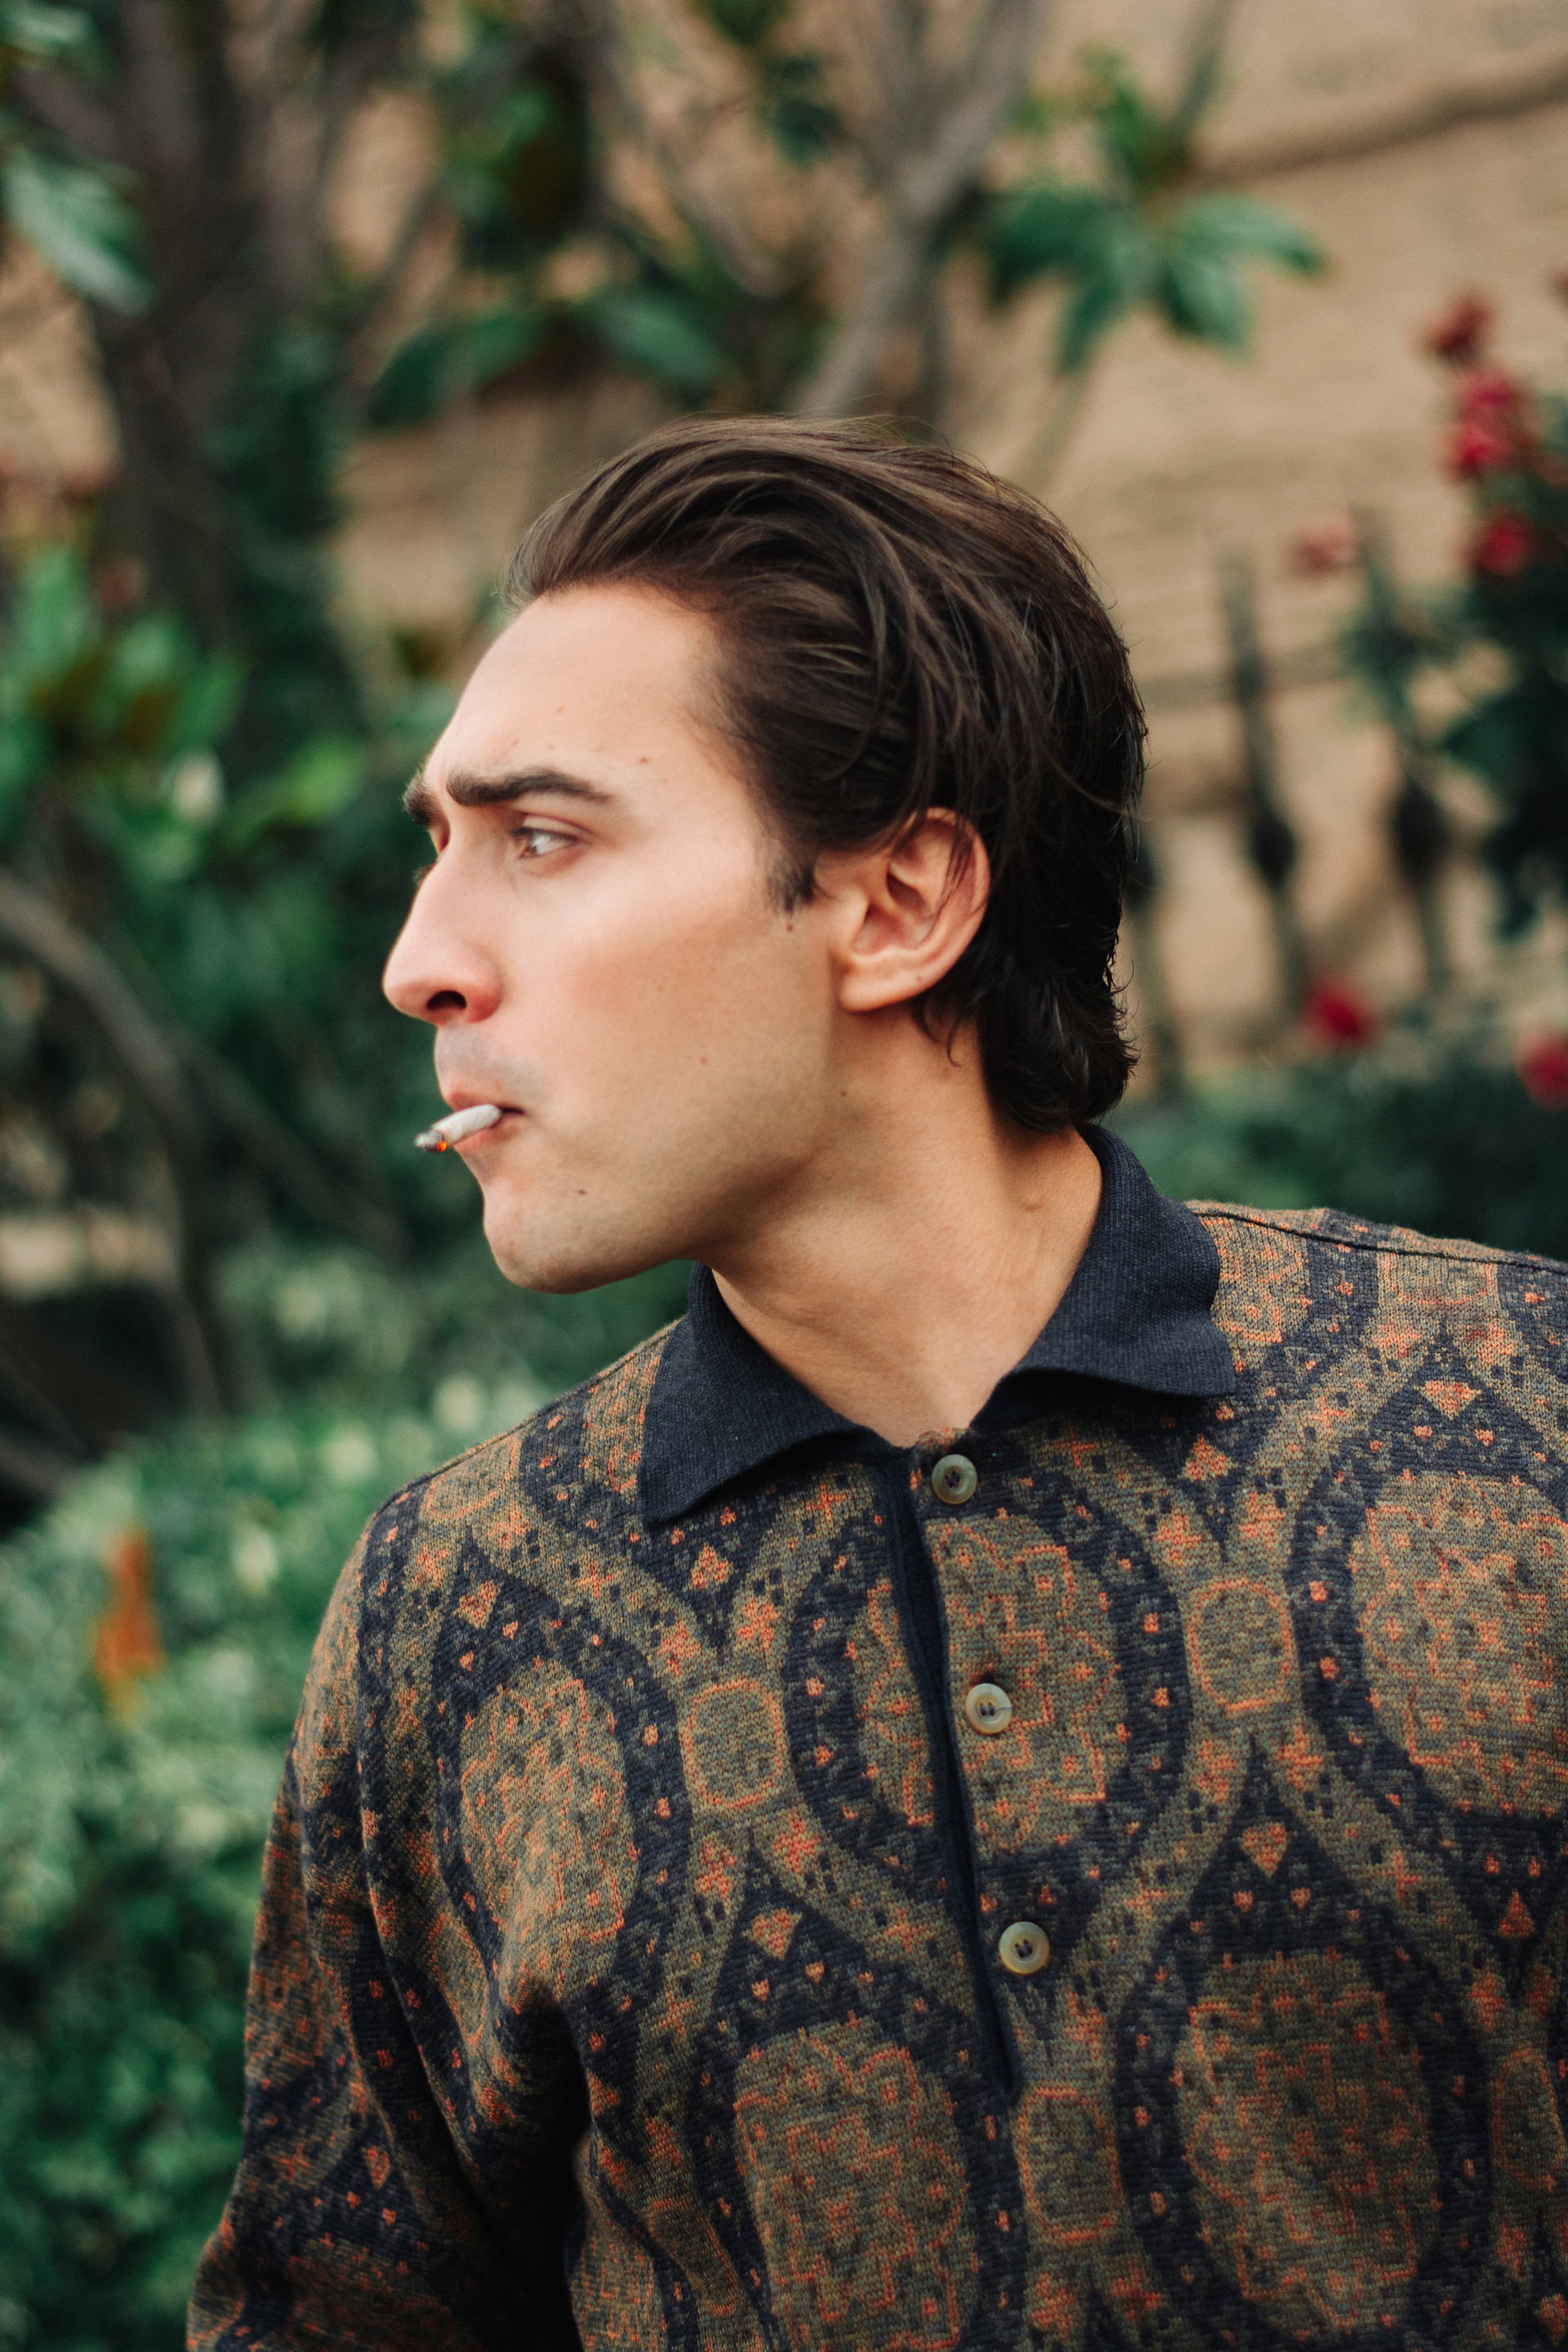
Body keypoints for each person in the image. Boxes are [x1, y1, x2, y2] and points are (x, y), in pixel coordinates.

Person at [189, 418, 1568, 2352]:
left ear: (902, 900)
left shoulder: (1520, 1424)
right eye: (440, 849)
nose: (422, 960)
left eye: (542, 839)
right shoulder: (454, 1617)